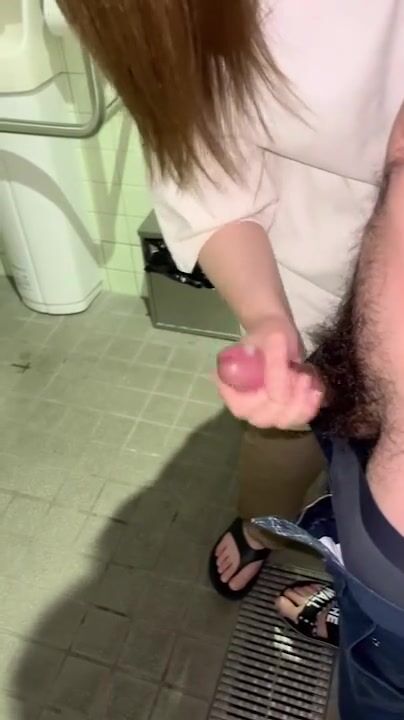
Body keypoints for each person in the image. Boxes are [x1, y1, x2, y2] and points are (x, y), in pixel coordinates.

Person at [55, 1, 404, 716]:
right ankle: (332, 584)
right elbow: (200, 161)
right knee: (309, 457)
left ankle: (364, 615)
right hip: (318, 292)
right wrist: (268, 320)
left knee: (384, 617)